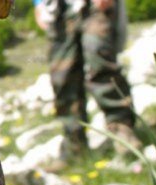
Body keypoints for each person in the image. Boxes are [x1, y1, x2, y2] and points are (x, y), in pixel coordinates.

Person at [34, 0, 141, 157]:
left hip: (93, 6)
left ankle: (123, 132)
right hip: (58, 9)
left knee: (100, 63)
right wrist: (37, 3)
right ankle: (74, 145)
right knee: (62, 76)